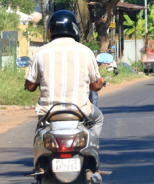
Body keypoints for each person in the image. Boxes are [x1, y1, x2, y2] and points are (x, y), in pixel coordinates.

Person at [24, 10, 105, 138]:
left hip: (48, 113)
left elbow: (30, 87)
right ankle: (90, 145)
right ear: (74, 28)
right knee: (98, 118)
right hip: (80, 111)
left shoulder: (39, 53)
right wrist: (101, 81)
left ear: (50, 30)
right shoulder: (85, 52)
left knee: (39, 135)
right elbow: (96, 86)